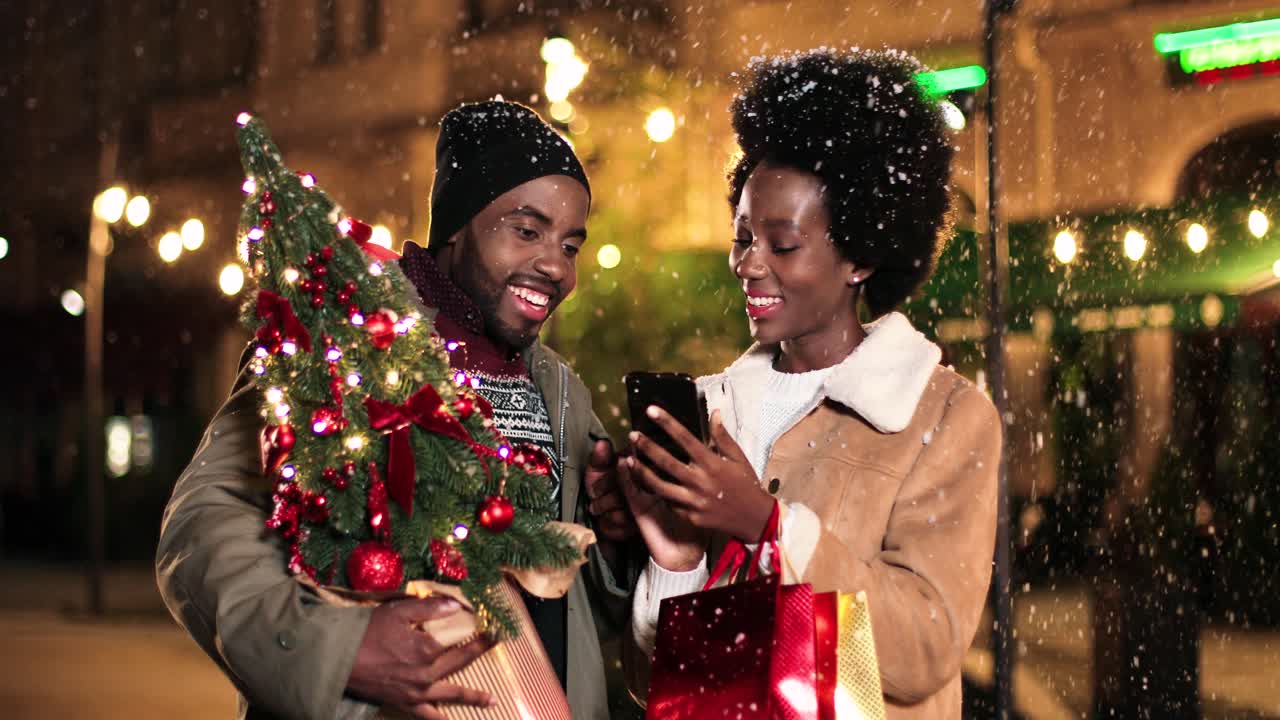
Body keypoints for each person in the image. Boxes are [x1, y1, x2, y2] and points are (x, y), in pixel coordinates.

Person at [157, 100, 640, 720]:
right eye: (527, 231)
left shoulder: (561, 391)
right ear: (457, 226)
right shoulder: (344, 344)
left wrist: (616, 544)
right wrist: (341, 653)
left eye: (570, 245)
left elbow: (578, 611)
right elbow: (203, 529)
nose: (555, 265)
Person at [621, 48, 1001, 719]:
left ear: (861, 255)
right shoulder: (711, 410)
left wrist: (770, 528)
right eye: (742, 238)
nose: (748, 265)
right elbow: (662, 687)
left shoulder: (945, 417)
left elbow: (926, 648)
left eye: (783, 244)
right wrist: (676, 562)